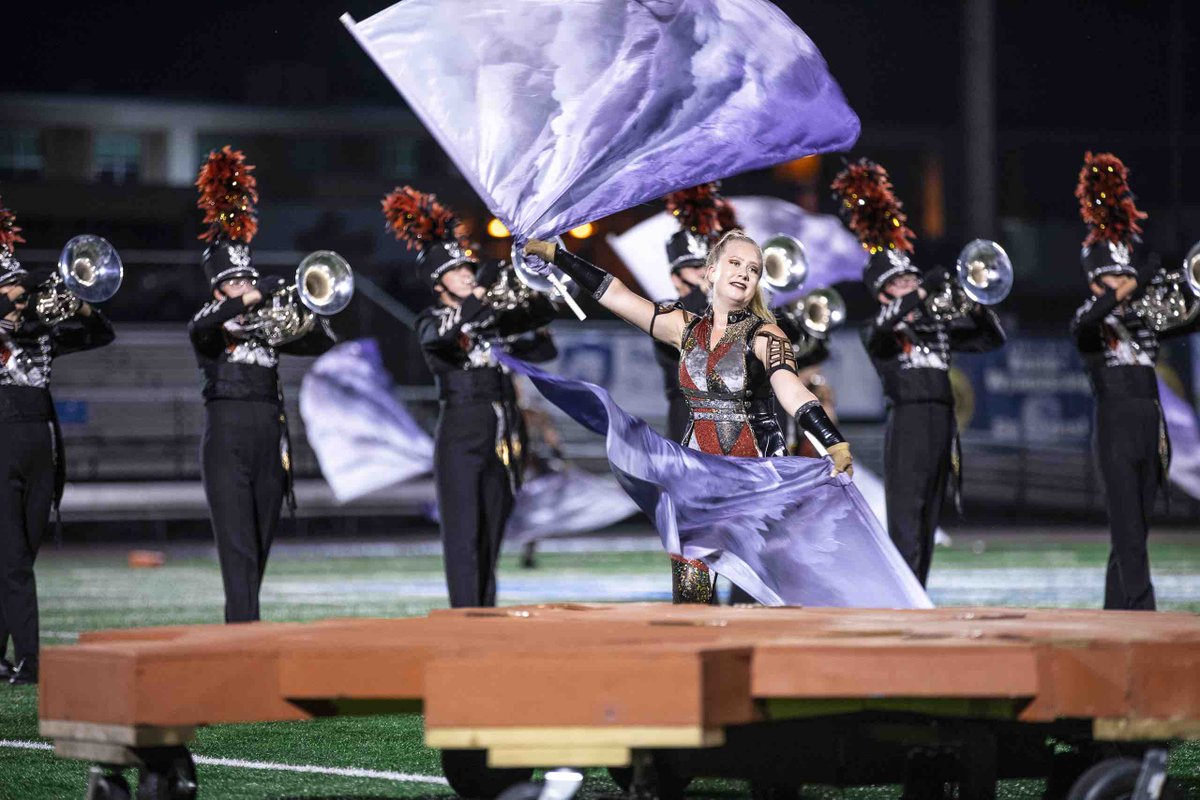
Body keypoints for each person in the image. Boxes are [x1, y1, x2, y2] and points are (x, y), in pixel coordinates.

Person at [525, 229, 854, 603]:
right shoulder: (683, 328)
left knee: (755, 601)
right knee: (692, 600)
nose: (744, 273)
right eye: (735, 263)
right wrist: (558, 256)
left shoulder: (767, 335)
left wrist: (831, 440)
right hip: (695, 482)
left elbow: (791, 390)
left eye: (753, 269)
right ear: (710, 272)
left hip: (751, 485)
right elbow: (615, 294)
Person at [833, 159, 1004, 587]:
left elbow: (990, 339)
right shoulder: (882, 331)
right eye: (904, 280)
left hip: (940, 420)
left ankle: (918, 593)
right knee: (907, 517)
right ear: (886, 288)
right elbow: (880, 328)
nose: (912, 283)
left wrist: (977, 303)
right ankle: (901, 596)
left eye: (913, 278)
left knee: (929, 516)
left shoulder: (935, 324)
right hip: (907, 419)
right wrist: (923, 291)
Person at [385, 186, 557, 608]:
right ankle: (465, 617)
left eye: (468, 268)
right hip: (462, 430)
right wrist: (478, 303)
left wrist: (541, 291)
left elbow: (542, 345)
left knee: (493, 529)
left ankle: (486, 615)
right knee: (464, 535)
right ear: (437, 281)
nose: (467, 274)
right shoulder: (433, 319)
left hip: (505, 430)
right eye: (458, 271)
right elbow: (440, 339)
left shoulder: (491, 317)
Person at [189, 148, 336, 623]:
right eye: (234, 282)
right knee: (237, 546)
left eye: (248, 278)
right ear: (218, 290)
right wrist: (254, 295)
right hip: (227, 432)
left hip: (269, 434)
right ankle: (243, 635)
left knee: (261, 539)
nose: (245, 286)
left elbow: (324, 342)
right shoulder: (209, 324)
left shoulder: (268, 327)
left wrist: (302, 312)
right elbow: (201, 328)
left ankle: (246, 625)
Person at [1070, 152, 1198, 611]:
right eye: (1114, 275)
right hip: (1116, 422)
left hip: (1150, 421)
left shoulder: (1146, 319)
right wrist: (1135, 283)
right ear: (1095, 279)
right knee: (1126, 529)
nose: (1125, 282)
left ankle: (1115, 614)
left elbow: (1189, 318)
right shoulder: (1089, 318)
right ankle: (1145, 614)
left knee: (1136, 529)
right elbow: (1094, 319)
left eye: (1128, 273)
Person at [0, 198, 115, 684]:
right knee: (12, 559)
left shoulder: (40, 334)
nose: (21, 299)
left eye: (21, 292)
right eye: (11, 291)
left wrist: (82, 304)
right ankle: (30, 659)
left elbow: (102, 334)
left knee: (21, 555)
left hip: (41, 445)